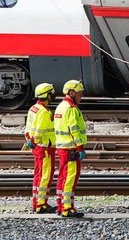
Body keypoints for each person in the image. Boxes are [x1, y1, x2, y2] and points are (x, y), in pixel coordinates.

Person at [54, 79, 87, 218]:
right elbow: (74, 131)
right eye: (79, 93)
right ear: (72, 93)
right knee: (70, 179)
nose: (81, 96)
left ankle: (60, 205)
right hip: (71, 150)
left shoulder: (61, 106)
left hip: (62, 148)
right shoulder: (72, 109)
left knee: (62, 177)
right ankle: (68, 208)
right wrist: (80, 149)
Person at [24, 83, 57, 214]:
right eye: (51, 93)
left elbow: (28, 129)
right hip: (44, 148)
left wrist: (29, 141)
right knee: (45, 176)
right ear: (48, 95)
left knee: (38, 175)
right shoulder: (44, 112)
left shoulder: (34, 108)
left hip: (37, 147)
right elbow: (39, 131)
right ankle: (41, 205)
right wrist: (36, 140)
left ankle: (36, 202)